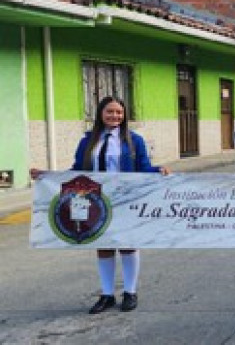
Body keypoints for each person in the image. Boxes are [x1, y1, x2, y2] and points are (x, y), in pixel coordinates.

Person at [31, 97, 170, 314]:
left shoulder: (134, 140)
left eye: (119, 112)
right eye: (110, 112)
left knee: (127, 243)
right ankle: (106, 295)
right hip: (94, 199)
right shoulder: (87, 142)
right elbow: (77, 169)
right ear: (100, 114)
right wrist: (47, 176)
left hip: (125, 198)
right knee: (103, 244)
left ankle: (130, 292)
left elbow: (143, 167)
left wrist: (158, 170)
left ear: (124, 116)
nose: (115, 116)